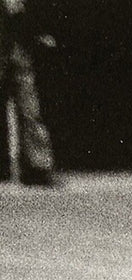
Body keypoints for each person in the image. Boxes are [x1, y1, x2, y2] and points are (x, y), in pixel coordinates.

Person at [0, 0, 56, 185]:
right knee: (29, 109)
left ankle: (38, 167)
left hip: (17, 51)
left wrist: (38, 33)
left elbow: (20, 12)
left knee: (30, 110)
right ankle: (33, 167)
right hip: (9, 47)